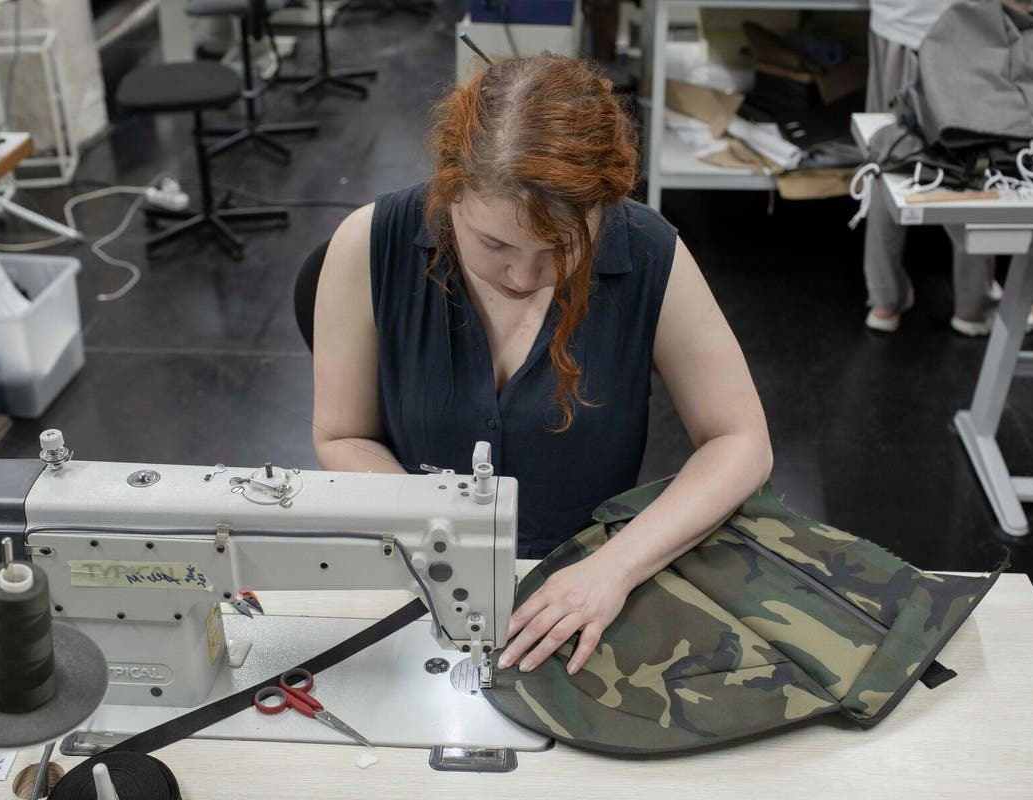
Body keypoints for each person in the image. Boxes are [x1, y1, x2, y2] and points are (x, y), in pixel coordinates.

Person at [311, 54, 772, 676]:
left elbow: (740, 441)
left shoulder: (647, 251)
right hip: (415, 573)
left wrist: (614, 568)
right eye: (494, 244)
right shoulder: (368, 244)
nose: (524, 276)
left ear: (605, 209)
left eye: (561, 247)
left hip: (587, 585)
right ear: (450, 191)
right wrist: (430, 528)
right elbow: (342, 434)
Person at [864, 0, 1033, 335]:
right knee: (971, 158)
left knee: (889, 155)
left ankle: (884, 300)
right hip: (961, 32)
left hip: (894, 26)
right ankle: (973, 305)